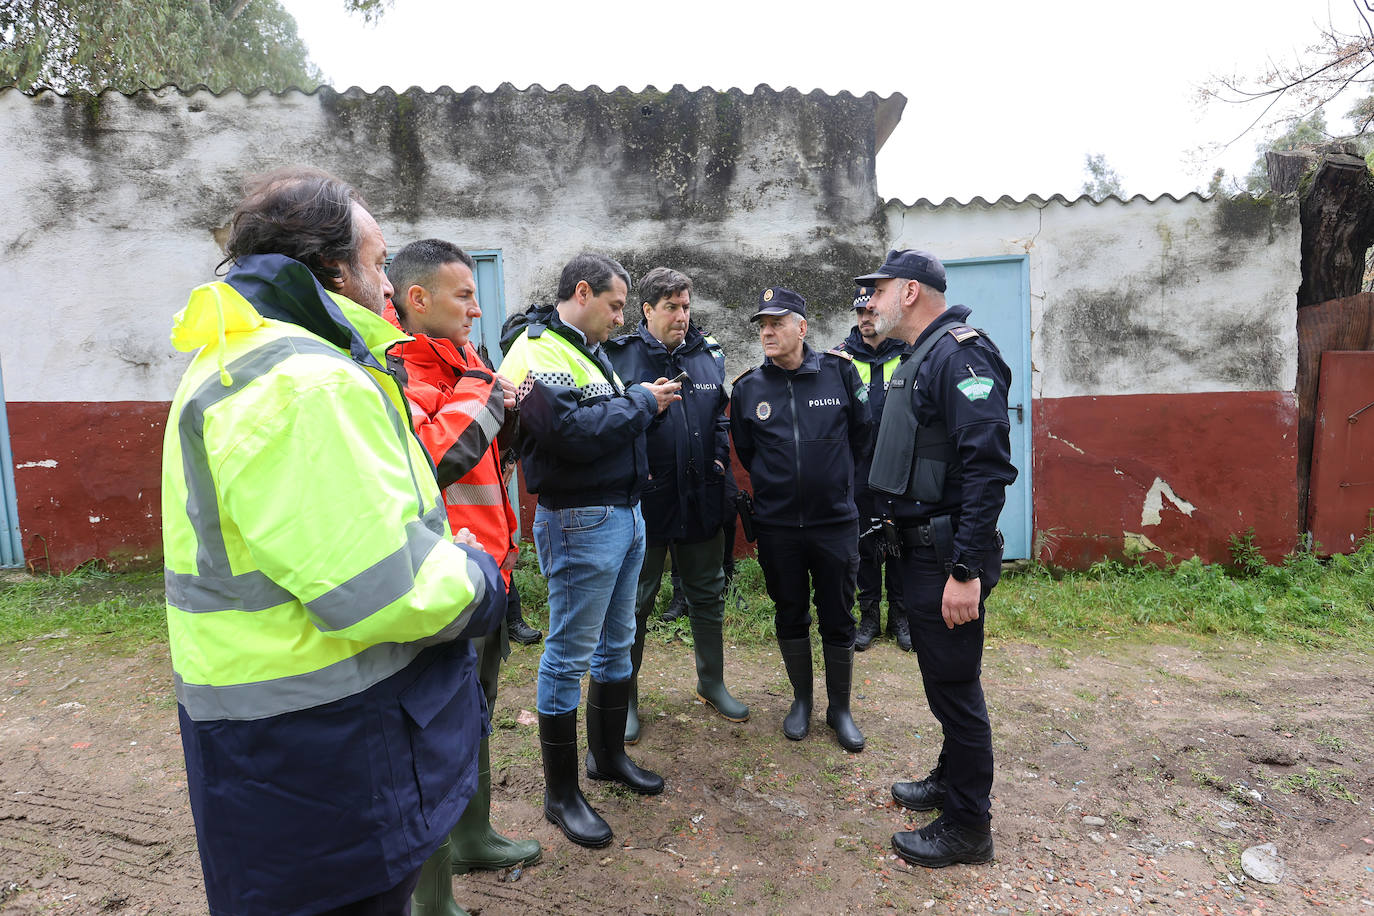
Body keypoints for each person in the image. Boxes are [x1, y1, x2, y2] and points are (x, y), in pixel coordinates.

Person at [160, 167, 505, 916]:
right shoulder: (304, 382)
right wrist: (480, 579)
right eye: (379, 263)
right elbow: (382, 588)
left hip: (275, 745)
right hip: (325, 755)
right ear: (334, 269)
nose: (388, 286)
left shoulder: (242, 357)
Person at [499, 253, 681, 848]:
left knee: (617, 640)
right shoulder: (538, 350)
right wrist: (641, 402)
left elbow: (601, 417)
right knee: (568, 654)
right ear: (582, 292)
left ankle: (606, 758)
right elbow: (568, 434)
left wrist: (639, 402)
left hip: (623, 510)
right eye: (616, 304)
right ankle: (560, 794)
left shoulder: (587, 349)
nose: (621, 317)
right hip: (580, 517)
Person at [384, 239, 542, 913]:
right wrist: (483, 392)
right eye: (464, 295)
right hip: (440, 585)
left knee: (477, 714)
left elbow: (491, 459)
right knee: (436, 735)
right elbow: (434, 459)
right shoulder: (394, 370)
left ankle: (473, 837)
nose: (478, 310)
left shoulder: (466, 363)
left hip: (488, 574)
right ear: (418, 299)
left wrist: (511, 410)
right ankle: (433, 897)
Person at [855, 248, 1018, 868]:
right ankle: (951, 780)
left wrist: (965, 571)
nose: (870, 301)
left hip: (947, 556)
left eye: (879, 289)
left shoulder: (961, 355)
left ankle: (969, 826)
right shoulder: (922, 354)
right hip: (921, 552)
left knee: (955, 688)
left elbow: (987, 469)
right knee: (942, 681)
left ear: (911, 292)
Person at [605, 267, 749, 745]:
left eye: (686, 306)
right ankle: (625, 699)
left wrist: (718, 459)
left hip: (701, 498)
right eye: (671, 307)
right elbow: (610, 424)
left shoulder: (707, 356)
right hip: (644, 503)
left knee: (707, 593)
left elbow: (719, 419)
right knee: (635, 603)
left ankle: (712, 683)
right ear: (647, 310)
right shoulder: (620, 357)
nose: (682, 316)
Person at [729, 287, 872, 753]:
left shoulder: (840, 373)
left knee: (839, 614)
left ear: (802, 328)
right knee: (789, 611)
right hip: (778, 527)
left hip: (835, 524)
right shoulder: (748, 388)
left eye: (777, 323)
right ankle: (802, 701)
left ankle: (840, 708)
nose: (767, 332)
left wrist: (836, 487)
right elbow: (747, 451)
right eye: (762, 325)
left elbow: (863, 437)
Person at [837, 285, 912, 653]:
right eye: (860, 313)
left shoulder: (909, 354)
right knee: (865, 543)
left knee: (900, 543)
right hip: (860, 470)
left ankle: (901, 616)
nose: (865, 319)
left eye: (871, 311)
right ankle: (869, 616)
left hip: (901, 470)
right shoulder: (841, 359)